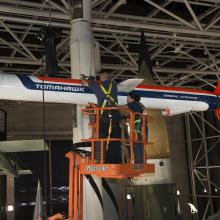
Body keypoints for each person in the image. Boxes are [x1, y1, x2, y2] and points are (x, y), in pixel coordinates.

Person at [81, 71, 122, 164]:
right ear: (108, 78)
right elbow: (110, 81)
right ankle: (115, 160)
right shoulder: (114, 86)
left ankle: (103, 159)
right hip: (115, 116)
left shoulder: (96, 86)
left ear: (101, 78)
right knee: (115, 138)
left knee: (103, 137)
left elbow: (84, 82)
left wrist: (83, 77)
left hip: (104, 116)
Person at [126, 92, 148, 163]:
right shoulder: (140, 105)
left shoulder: (132, 104)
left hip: (138, 126)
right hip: (144, 126)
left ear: (132, 98)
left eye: (128, 98)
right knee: (141, 143)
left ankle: (138, 162)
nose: (127, 99)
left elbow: (121, 108)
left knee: (136, 143)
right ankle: (142, 161)